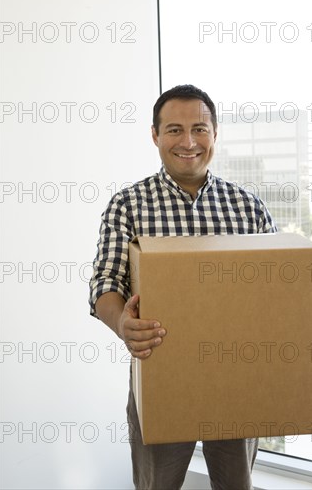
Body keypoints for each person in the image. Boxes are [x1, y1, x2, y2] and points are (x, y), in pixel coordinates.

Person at [89, 84, 277, 490]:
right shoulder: (128, 205)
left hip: (237, 376)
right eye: (174, 130)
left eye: (200, 129)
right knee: (158, 484)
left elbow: (275, 288)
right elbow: (105, 283)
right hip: (161, 372)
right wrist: (123, 324)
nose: (188, 142)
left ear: (215, 133)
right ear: (155, 136)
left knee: (236, 484)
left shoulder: (248, 206)